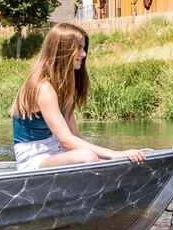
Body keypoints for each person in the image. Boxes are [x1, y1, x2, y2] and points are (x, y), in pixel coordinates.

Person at [10, 21, 147, 170]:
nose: (84, 54)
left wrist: (112, 159)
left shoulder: (65, 86)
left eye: (84, 48)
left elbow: (73, 137)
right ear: (63, 51)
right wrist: (114, 154)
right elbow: (66, 141)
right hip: (34, 158)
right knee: (87, 157)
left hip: (56, 152)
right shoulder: (43, 88)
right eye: (79, 48)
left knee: (97, 157)